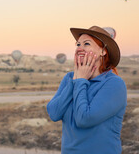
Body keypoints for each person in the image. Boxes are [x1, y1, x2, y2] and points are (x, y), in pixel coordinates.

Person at [47, 26, 127, 154]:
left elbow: (84, 119)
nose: (79, 48)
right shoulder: (69, 78)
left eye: (87, 44)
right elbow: (54, 113)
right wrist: (76, 79)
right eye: (78, 44)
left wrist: (80, 81)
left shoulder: (114, 84)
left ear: (103, 51)